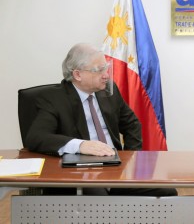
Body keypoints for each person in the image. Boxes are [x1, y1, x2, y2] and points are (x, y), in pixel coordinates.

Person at [26, 43, 177, 196]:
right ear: (78, 75)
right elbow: (36, 137)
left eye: (106, 67)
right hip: (82, 173)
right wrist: (80, 145)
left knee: (167, 192)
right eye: (99, 70)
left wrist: (129, 158)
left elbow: (132, 124)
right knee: (101, 203)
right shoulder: (54, 99)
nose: (106, 74)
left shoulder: (108, 90)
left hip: (117, 168)